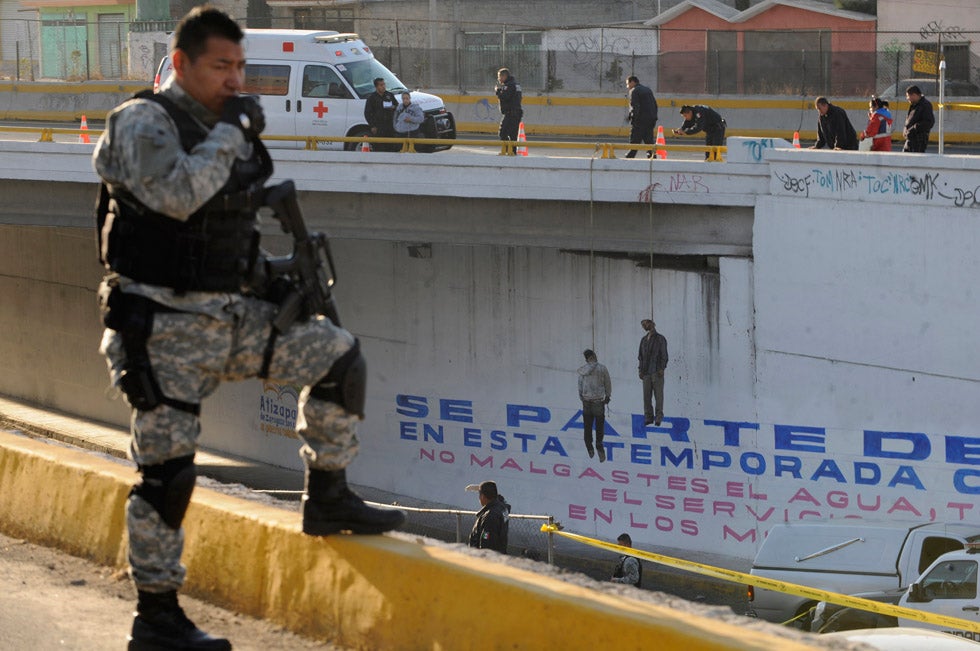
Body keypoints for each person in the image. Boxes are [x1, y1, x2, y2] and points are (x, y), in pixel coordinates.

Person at [92, 7, 404, 649]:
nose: (237, 81)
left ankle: (328, 495)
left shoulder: (224, 128)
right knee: (168, 474)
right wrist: (232, 133)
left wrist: (271, 276)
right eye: (220, 67)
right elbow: (178, 196)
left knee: (338, 359)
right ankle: (156, 618)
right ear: (180, 65)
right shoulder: (142, 121)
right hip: (162, 331)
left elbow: (219, 230)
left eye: (241, 68)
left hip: (226, 318)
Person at [577, 349, 612, 462]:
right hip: (598, 401)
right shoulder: (602, 368)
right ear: (594, 356)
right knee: (599, 426)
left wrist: (582, 397)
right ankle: (599, 446)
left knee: (587, 426)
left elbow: (580, 386)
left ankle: (589, 447)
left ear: (587, 358)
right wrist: (607, 396)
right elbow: (608, 383)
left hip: (586, 401)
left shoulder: (583, 370)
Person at [638, 319, 668, 426]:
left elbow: (664, 354)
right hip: (646, 372)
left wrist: (662, 368)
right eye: (643, 325)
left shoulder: (660, 338)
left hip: (656, 371)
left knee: (658, 396)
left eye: (645, 324)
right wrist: (640, 370)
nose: (644, 326)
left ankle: (659, 417)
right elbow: (640, 356)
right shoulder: (643, 340)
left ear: (651, 324)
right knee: (646, 396)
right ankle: (648, 417)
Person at [467, 481, 510, 553]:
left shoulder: (490, 516)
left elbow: (486, 541)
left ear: (483, 496)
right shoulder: (502, 508)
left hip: (485, 558)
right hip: (499, 553)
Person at [624, 75, 658, 159]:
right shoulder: (648, 90)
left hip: (640, 119)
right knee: (648, 138)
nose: (627, 87)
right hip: (651, 119)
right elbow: (655, 104)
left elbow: (635, 106)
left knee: (635, 138)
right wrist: (654, 117)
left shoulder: (634, 91)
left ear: (633, 82)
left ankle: (630, 155)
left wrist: (632, 118)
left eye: (628, 84)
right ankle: (651, 155)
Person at [363, 77, 397, 151]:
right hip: (378, 127)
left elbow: (397, 106)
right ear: (376, 87)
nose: (383, 86)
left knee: (391, 147)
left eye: (384, 84)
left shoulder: (389, 95)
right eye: (381, 85)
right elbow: (367, 113)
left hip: (390, 126)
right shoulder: (372, 98)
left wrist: (393, 107)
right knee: (379, 147)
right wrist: (372, 126)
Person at [495, 67, 523, 149]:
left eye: (499, 77)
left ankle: (508, 150)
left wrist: (497, 91)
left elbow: (505, 97)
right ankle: (512, 153)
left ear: (504, 76)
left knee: (502, 133)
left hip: (510, 113)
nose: (499, 79)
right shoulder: (515, 84)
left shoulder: (509, 85)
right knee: (513, 135)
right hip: (516, 113)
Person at [903, 85, 935, 153]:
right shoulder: (914, 105)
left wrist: (913, 129)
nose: (907, 98)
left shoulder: (925, 105)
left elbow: (928, 122)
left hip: (919, 140)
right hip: (910, 139)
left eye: (908, 96)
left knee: (915, 160)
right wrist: (906, 129)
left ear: (914, 95)